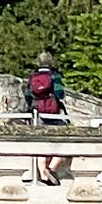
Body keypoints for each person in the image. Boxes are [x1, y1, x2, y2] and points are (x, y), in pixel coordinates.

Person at [25, 50, 69, 184]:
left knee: (40, 144)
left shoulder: (32, 77)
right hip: (53, 112)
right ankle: (50, 169)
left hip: (37, 112)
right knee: (64, 142)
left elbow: (27, 95)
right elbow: (60, 93)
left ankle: (43, 177)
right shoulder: (54, 76)